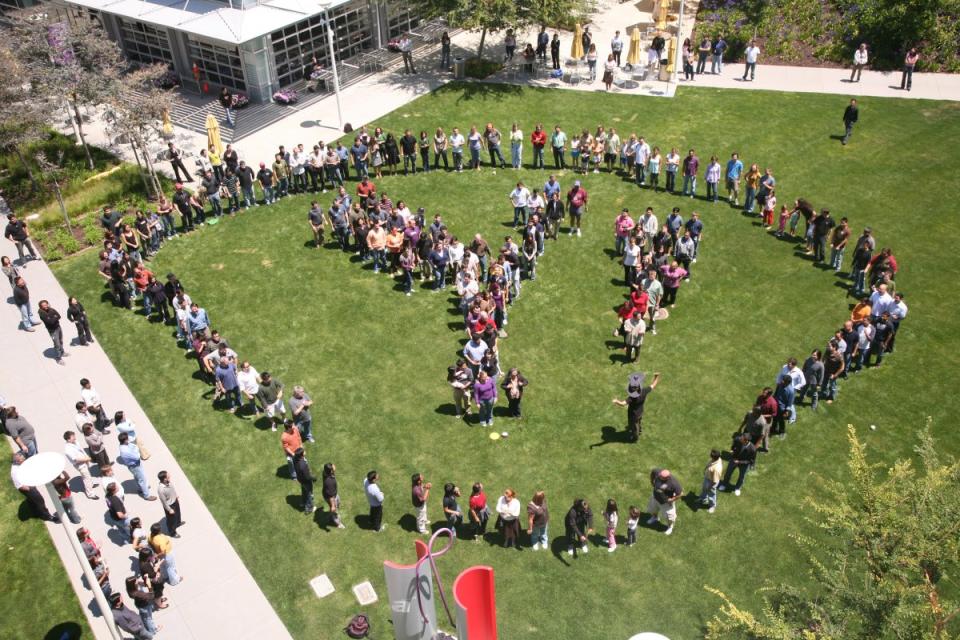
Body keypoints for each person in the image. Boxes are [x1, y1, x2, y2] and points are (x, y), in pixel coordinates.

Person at [612, 371, 661, 440]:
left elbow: (623, 404)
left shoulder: (632, 398)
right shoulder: (644, 391)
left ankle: (635, 437)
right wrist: (656, 377)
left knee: (634, 426)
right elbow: (653, 385)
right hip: (640, 412)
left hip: (633, 415)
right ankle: (639, 430)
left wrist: (616, 401)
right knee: (638, 421)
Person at [11, 451, 58, 522]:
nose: (24, 460)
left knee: (32, 501)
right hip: (26, 488)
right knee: (40, 501)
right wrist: (30, 488)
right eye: (22, 460)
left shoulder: (20, 464)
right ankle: (47, 516)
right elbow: (19, 486)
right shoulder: (15, 472)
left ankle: (35, 512)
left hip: (29, 483)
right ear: (17, 461)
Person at [118, 432, 155, 500]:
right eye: (127, 438)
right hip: (134, 466)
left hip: (135, 465)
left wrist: (135, 449)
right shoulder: (125, 451)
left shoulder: (125, 445)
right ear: (124, 440)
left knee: (138, 478)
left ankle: (142, 488)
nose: (128, 439)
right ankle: (147, 495)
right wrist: (137, 450)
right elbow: (137, 456)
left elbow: (134, 446)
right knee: (142, 479)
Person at [63, 430, 99, 499]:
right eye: (73, 437)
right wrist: (87, 459)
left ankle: (91, 484)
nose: (75, 438)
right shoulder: (68, 450)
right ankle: (90, 494)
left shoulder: (75, 442)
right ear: (68, 439)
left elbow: (81, 450)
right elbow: (76, 459)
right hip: (80, 465)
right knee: (86, 478)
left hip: (85, 461)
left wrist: (87, 458)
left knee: (88, 474)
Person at [646, 468, 682, 535]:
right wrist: (651, 481)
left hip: (666, 502)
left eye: (661, 477)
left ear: (667, 478)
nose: (659, 477)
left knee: (670, 517)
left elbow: (680, 494)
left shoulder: (673, 483)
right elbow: (653, 472)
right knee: (652, 509)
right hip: (655, 497)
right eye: (659, 476)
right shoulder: (658, 472)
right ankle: (655, 517)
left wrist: (672, 500)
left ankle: (670, 527)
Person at [157, 471, 182, 537]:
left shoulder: (168, 482)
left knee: (178, 514)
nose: (170, 476)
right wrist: (169, 509)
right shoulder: (161, 489)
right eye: (168, 475)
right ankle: (172, 532)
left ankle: (178, 523)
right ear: (165, 479)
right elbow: (164, 502)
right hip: (170, 505)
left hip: (175, 501)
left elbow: (173, 489)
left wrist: (176, 496)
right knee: (171, 520)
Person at [321, 463, 345, 529]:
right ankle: (338, 524)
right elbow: (331, 497)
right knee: (335, 511)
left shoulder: (325, 472)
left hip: (331, 494)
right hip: (331, 497)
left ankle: (330, 516)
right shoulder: (329, 482)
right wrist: (333, 506)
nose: (334, 465)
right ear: (331, 471)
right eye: (332, 466)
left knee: (338, 502)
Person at [293, 448, 316, 514]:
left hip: (300, 479)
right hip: (305, 481)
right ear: (302, 454)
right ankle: (309, 508)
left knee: (304, 490)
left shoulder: (295, 459)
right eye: (304, 451)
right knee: (309, 493)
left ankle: (303, 502)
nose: (305, 451)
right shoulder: (302, 464)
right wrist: (314, 478)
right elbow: (307, 477)